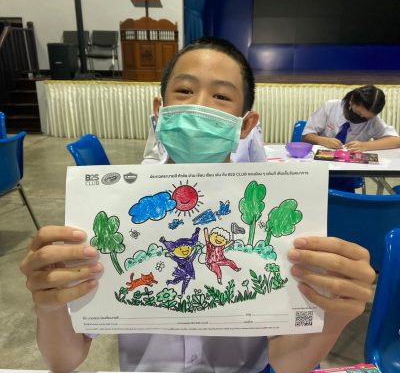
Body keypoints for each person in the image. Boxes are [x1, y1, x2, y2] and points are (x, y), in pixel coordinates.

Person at [20, 37, 375, 373]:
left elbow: (287, 363)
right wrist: (49, 305)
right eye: (185, 91)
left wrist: (334, 315)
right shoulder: (115, 211)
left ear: (245, 125)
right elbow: (65, 359)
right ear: (159, 112)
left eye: (221, 96)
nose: (199, 106)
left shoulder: (269, 210)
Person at [302, 85, 399, 191]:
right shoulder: (331, 107)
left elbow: (396, 141)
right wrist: (322, 140)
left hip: (347, 173)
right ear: (351, 102)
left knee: (343, 196)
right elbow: (306, 136)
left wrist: (366, 146)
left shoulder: (373, 120)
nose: (361, 118)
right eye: (358, 113)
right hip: (320, 168)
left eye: (367, 117)